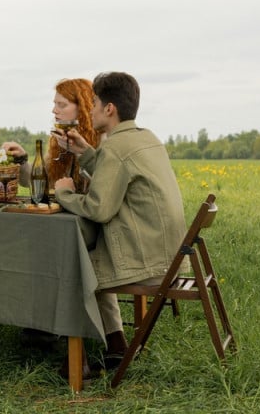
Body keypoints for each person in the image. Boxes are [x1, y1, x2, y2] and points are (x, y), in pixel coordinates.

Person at [54, 72, 186, 373]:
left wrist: (63, 194)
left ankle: (76, 362)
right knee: (87, 256)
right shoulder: (144, 137)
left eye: (95, 103)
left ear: (109, 108)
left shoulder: (115, 147)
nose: (91, 109)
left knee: (74, 264)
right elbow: (113, 172)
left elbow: (98, 209)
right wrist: (86, 153)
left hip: (147, 262)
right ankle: (116, 347)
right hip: (170, 257)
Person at [2, 78, 101, 193]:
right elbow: (41, 180)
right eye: (55, 104)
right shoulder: (59, 142)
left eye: (62, 105)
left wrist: (81, 153)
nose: (54, 110)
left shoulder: (104, 142)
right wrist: (22, 159)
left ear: (83, 107)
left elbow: (105, 185)